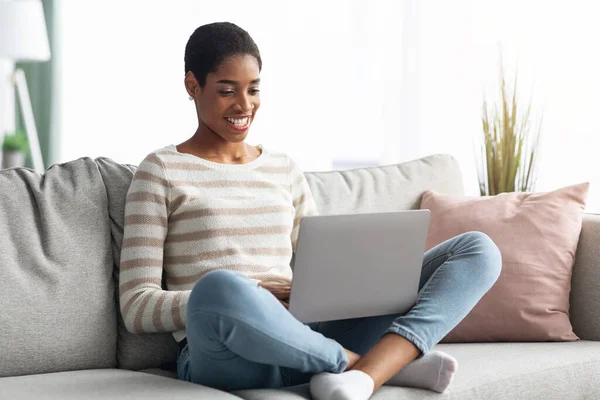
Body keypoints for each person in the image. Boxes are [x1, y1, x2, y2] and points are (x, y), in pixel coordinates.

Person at [119, 22, 502, 400]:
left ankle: (363, 373)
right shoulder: (160, 171)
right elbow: (136, 307)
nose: (244, 105)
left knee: (476, 249)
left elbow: (324, 269)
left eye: (253, 90)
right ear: (192, 86)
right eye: (226, 91)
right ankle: (370, 366)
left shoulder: (283, 168)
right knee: (219, 287)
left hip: (309, 331)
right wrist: (253, 293)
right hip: (229, 354)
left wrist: (348, 283)